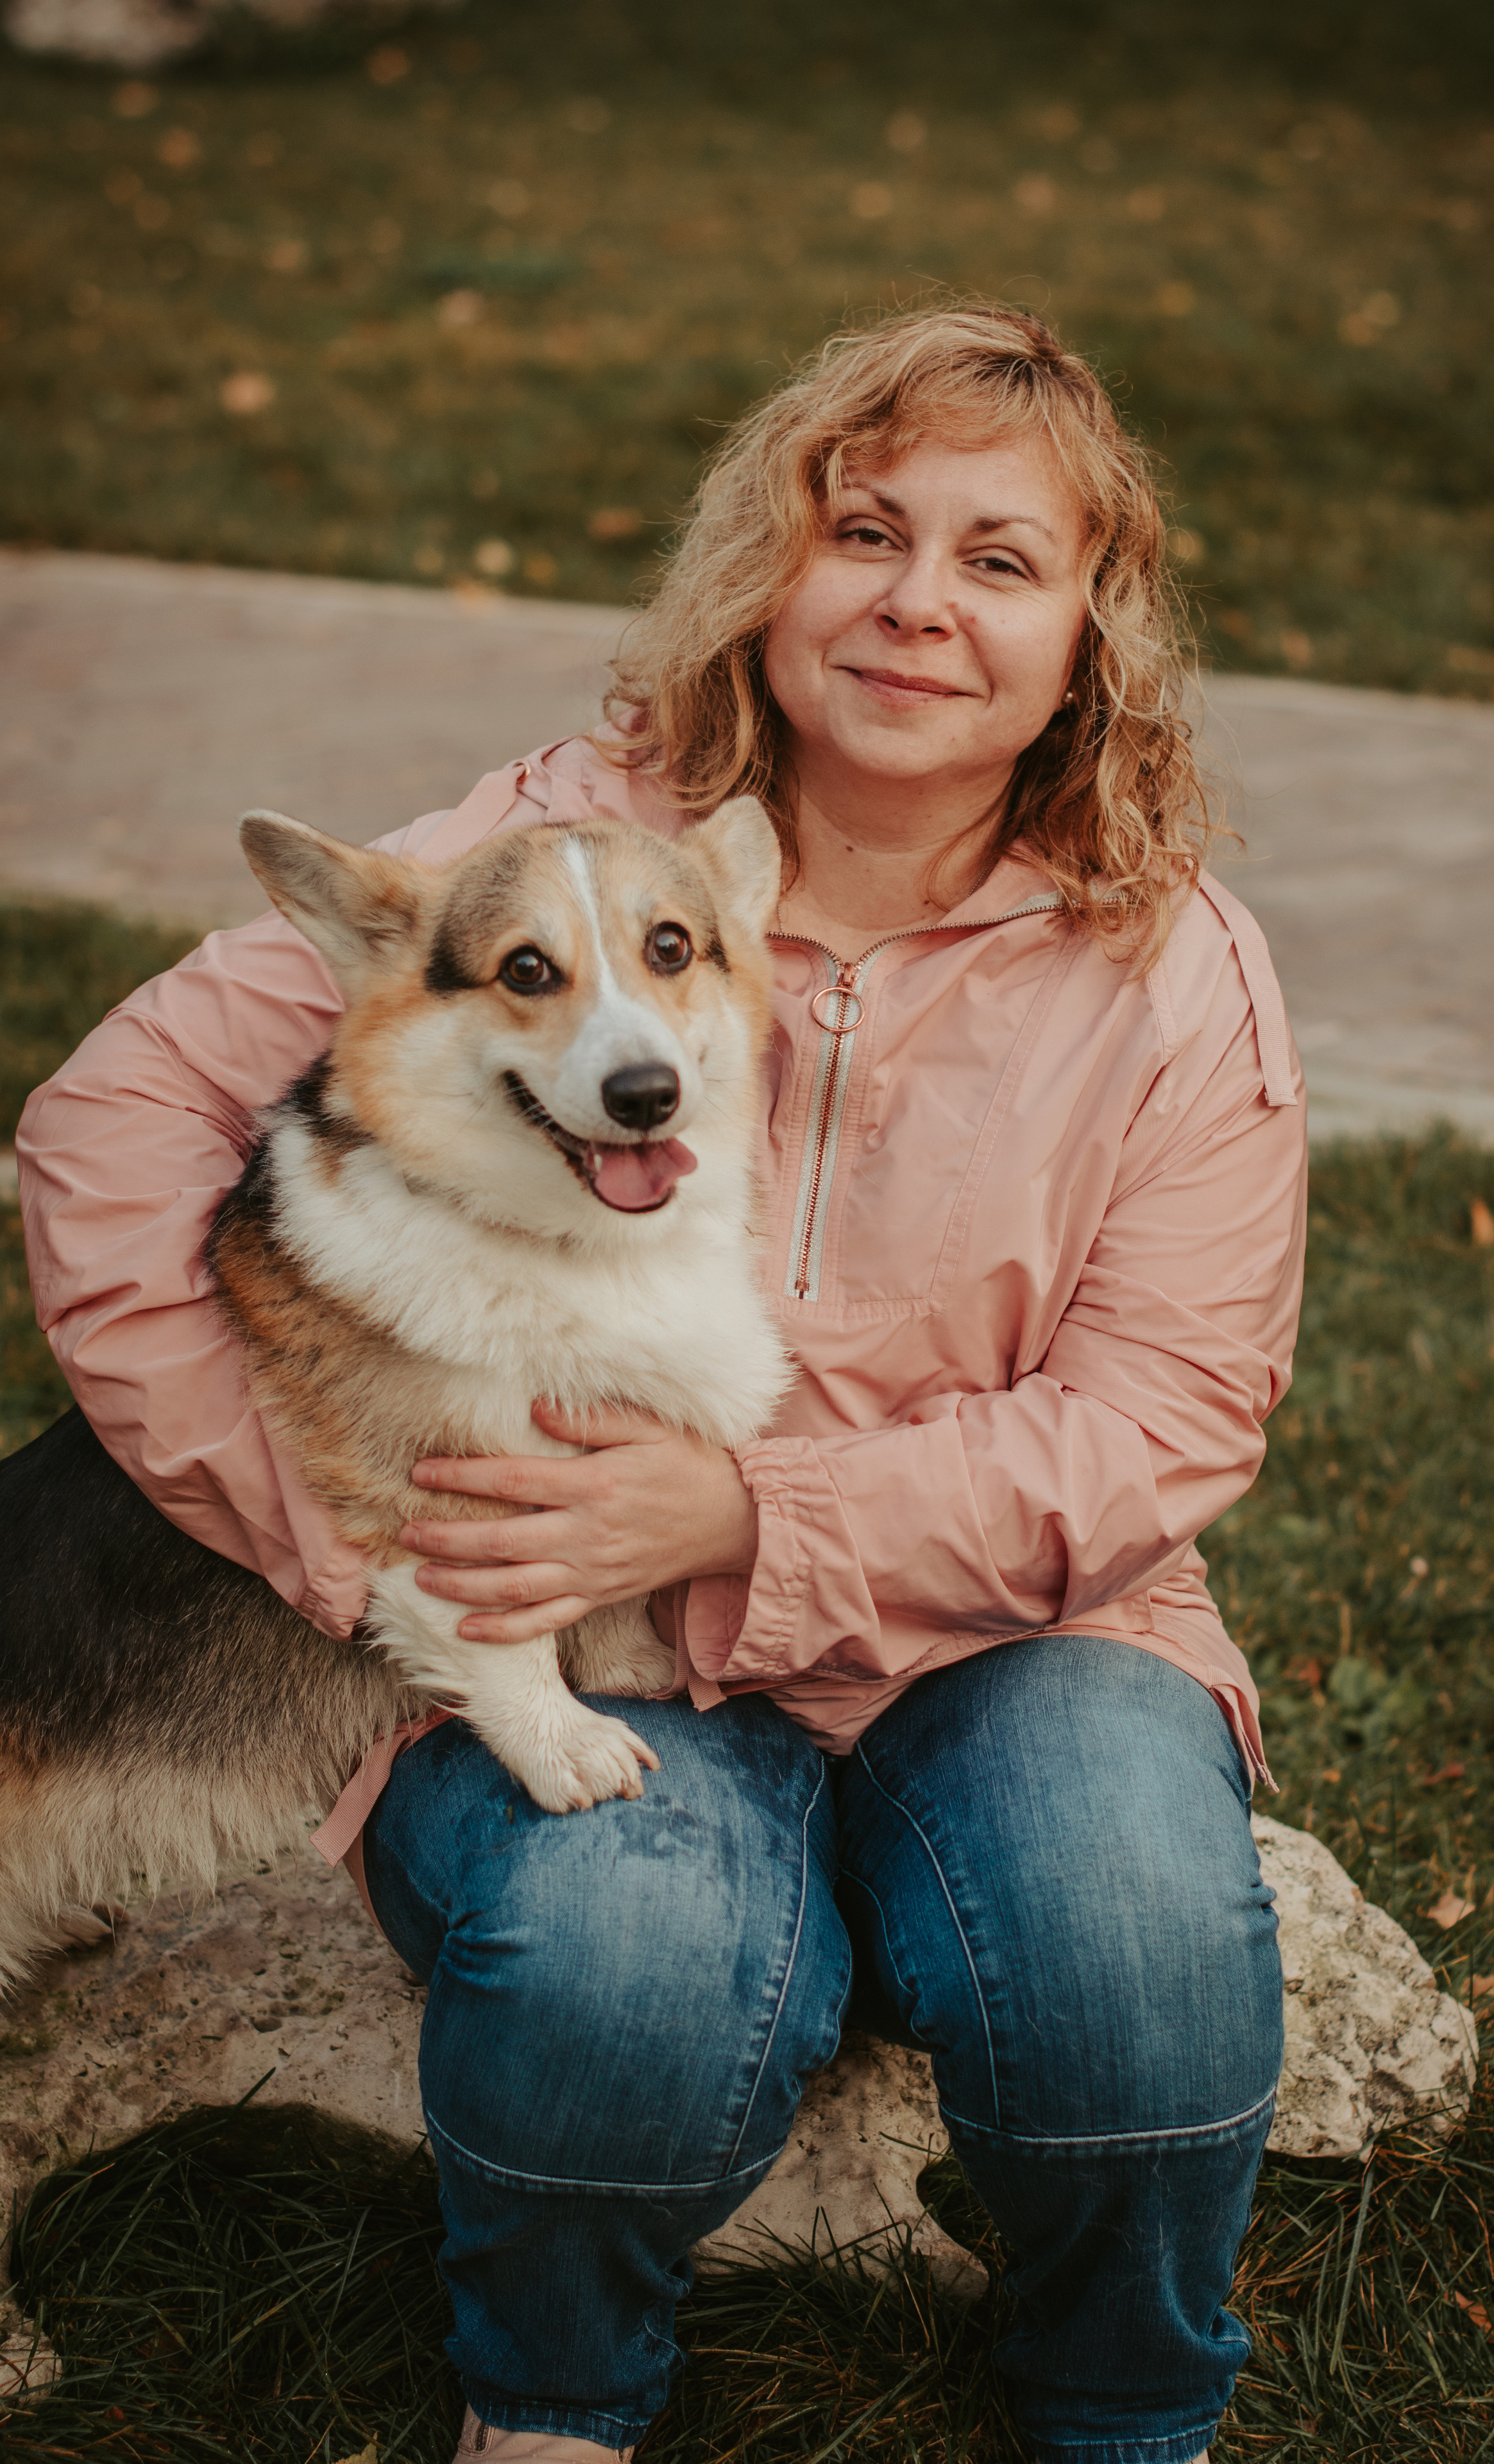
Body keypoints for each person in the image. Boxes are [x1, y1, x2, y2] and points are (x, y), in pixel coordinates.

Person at [20, 304, 1305, 2464]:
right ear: (764, 573)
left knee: (1135, 1959)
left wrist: (752, 1523)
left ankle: (1127, 2413)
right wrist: (337, 1515)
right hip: (566, 1639)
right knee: (628, 1977)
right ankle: (550, 2410)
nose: (916, 602)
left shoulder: (1173, 968)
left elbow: (1165, 1421)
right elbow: (104, 1130)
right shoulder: (563, 843)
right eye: (863, 530)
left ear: (1096, 632)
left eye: (1001, 560)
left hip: (998, 1629)